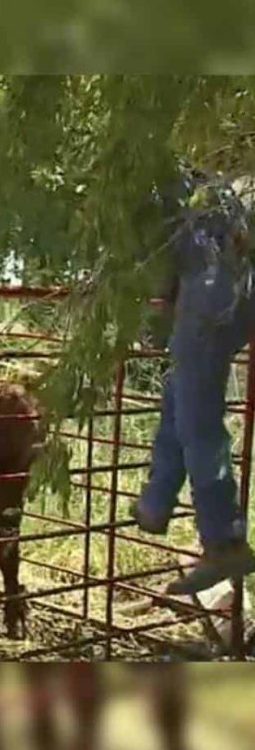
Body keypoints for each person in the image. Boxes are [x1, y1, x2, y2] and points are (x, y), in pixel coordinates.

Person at [132, 164, 255, 595]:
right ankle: (156, 501)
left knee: (197, 419)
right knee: (182, 390)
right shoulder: (226, 182)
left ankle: (224, 538)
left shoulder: (163, 177)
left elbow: (159, 248)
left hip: (207, 293)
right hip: (236, 292)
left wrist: (162, 301)